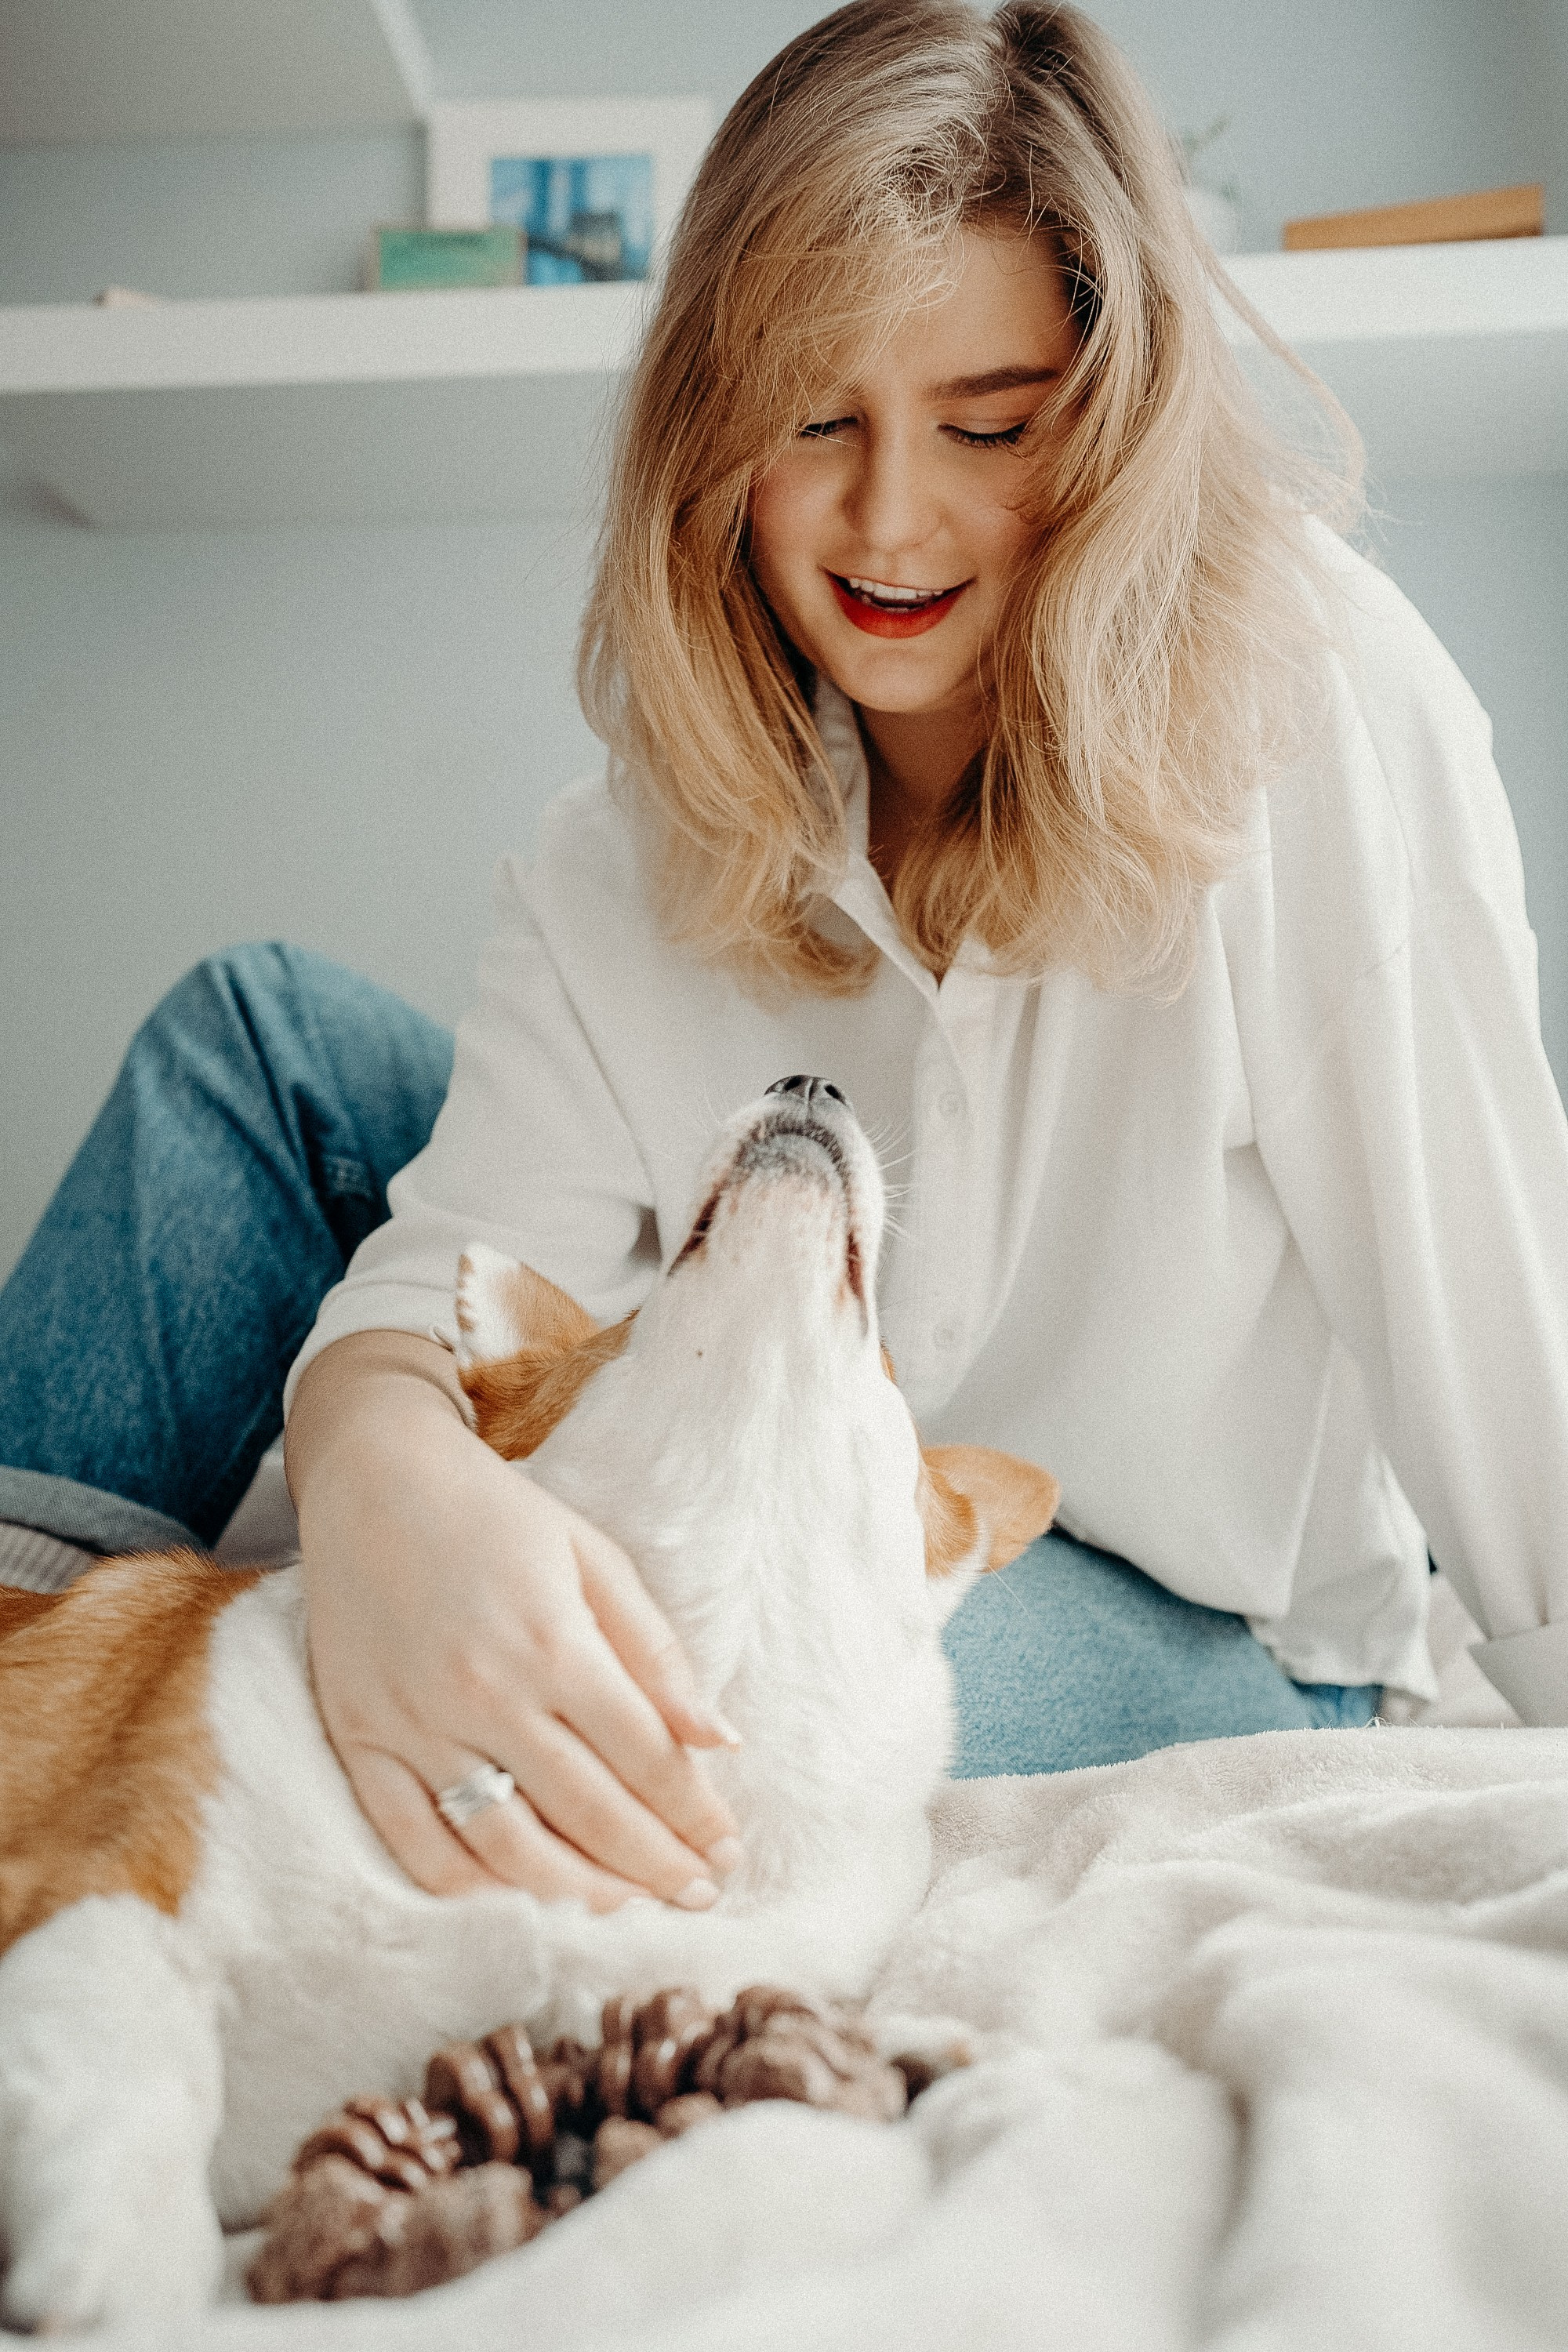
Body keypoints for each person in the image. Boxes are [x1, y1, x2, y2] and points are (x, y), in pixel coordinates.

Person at [5, 0, 1568, 1915]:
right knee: (259, 1037)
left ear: (1110, 418)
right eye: (814, 418)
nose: (889, 516)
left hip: (1180, 1608)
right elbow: (450, 1264)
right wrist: (380, 1468)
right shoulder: (629, 845)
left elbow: (1512, 1354)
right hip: (714, 1420)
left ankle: (209, 1715)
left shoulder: (1313, 702)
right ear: (711, 428)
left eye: (986, 426)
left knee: (735, 1668)